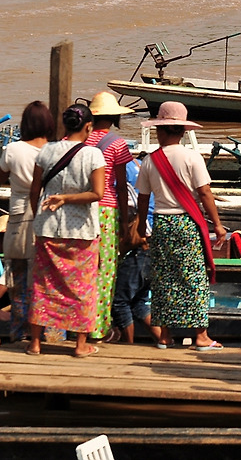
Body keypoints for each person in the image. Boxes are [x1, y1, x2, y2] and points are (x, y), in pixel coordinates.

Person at [137, 101, 226, 351]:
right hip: (187, 223)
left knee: (164, 278)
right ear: (183, 131)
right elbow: (205, 193)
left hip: (162, 223)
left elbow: (143, 199)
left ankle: (165, 335)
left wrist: (141, 226)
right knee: (193, 277)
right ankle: (201, 336)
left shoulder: (150, 161)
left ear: (160, 129)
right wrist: (218, 224)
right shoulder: (191, 157)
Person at [26, 104, 107, 358]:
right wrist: (67, 199)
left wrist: (40, 215)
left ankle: (35, 343)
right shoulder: (93, 155)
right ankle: (80, 345)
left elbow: (35, 190)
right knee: (82, 288)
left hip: (48, 227)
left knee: (43, 285)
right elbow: (98, 193)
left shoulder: (46, 150)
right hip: (81, 230)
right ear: (88, 127)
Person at [0, 100, 54, 342]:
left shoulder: (13, 150)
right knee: (46, 281)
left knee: (18, 282)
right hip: (48, 217)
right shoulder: (55, 150)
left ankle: (20, 334)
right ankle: (49, 333)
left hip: (19, 219)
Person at [85, 91, 136, 342]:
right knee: (105, 270)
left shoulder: (78, 140)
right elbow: (121, 186)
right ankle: (98, 327)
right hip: (107, 209)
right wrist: (125, 221)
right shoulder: (117, 144)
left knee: (82, 266)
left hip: (81, 207)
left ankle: (77, 325)